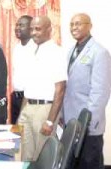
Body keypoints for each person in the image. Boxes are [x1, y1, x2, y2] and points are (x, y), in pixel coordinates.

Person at [63, 13, 111, 169]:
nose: (74, 27)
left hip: (88, 125)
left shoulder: (100, 52)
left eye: (78, 24)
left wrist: (89, 122)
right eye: (71, 24)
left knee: (89, 164)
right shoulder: (71, 51)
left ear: (89, 26)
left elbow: (100, 92)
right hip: (71, 122)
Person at [17, 16, 67, 161]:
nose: (33, 32)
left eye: (38, 29)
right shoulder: (32, 51)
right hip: (28, 108)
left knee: (42, 156)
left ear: (49, 30)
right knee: (25, 155)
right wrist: (22, 113)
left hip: (45, 110)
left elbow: (60, 89)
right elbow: (30, 86)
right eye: (32, 29)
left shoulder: (56, 52)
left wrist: (50, 121)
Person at [11, 15, 35, 124]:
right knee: (15, 132)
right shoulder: (17, 48)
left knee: (26, 133)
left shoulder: (35, 48)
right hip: (16, 97)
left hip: (30, 99)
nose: (17, 28)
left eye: (21, 25)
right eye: (16, 25)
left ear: (31, 28)